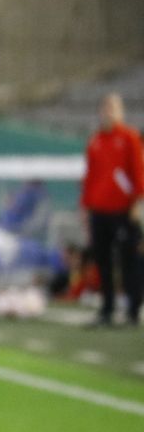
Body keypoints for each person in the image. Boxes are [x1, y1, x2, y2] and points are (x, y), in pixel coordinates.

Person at [79, 92, 143, 326]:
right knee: (102, 261)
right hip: (99, 210)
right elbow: (90, 177)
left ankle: (133, 310)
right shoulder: (95, 141)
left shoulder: (129, 138)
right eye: (105, 107)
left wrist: (137, 202)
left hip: (123, 211)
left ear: (121, 111)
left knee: (129, 260)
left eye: (113, 107)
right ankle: (107, 309)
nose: (109, 111)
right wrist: (85, 207)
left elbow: (138, 172)